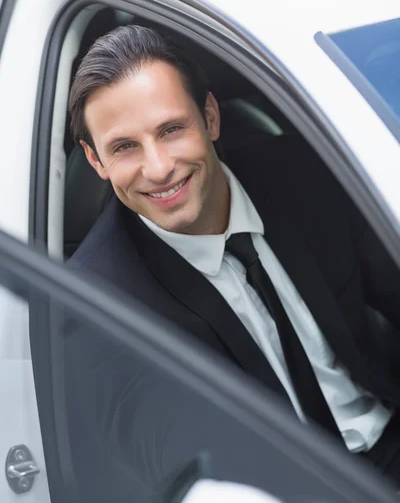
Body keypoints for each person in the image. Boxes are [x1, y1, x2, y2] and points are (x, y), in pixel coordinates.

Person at [65, 25, 400, 494]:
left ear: (210, 117)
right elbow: (172, 459)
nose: (158, 167)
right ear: (95, 161)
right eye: (124, 147)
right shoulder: (95, 301)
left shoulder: (308, 173)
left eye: (172, 129)